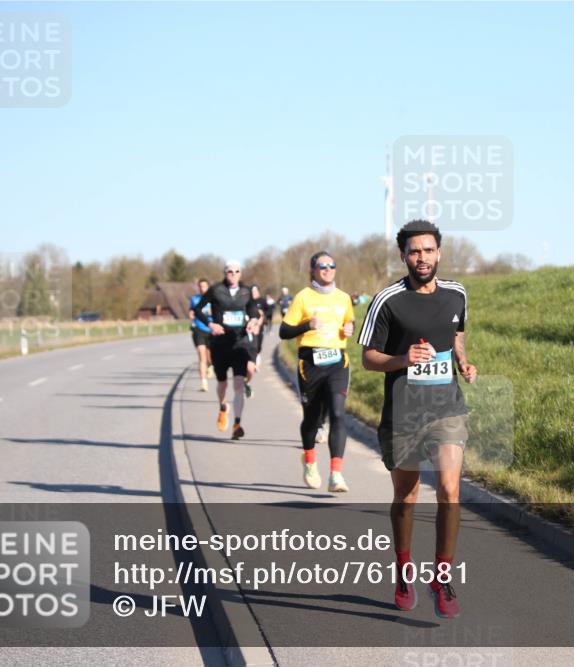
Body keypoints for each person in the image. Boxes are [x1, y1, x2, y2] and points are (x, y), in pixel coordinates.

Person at [359, 220, 477, 619]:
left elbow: (456, 334)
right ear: (403, 256)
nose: (422, 258)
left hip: (447, 407)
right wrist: (402, 359)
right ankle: (404, 570)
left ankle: (442, 578)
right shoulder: (387, 300)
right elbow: (368, 358)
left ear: (439, 253)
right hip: (404, 411)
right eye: (414, 252)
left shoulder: (457, 293)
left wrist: (463, 362)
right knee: (406, 497)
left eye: (428, 250)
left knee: (449, 490)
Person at [279, 251, 355, 492]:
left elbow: (349, 321)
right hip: (310, 363)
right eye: (322, 266)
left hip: (337, 362)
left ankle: (336, 474)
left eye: (332, 265)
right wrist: (307, 325)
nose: (328, 269)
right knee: (311, 418)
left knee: (338, 414)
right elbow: (284, 331)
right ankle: (310, 461)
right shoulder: (303, 297)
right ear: (312, 270)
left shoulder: (343, 298)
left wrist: (350, 328)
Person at [193, 260, 263, 440]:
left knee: (238, 383)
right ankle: (223, 406)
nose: (233, 274)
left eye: (236, 271)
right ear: (225, 273)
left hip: (239, 342)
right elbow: (198, 309)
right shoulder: (216, 290)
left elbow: (253, 310)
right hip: (220, 343)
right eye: (230, 271)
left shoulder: (246, 291)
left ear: (240, 273)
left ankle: (237, 424)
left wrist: (253, 320)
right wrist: (210, 324)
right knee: (222, 383)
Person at [188, 278, 214, 392]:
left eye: (204, 286)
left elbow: (219, 312)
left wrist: (211, 312)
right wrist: (191, 314)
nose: (202, 288)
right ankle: (204, 382)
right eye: (200, 286)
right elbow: (191, 311)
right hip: (199, 329)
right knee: (201, 355)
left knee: (210, 357)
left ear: (208, 287)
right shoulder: (195, 299)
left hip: (211, 330)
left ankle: (210, 365)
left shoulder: (213, 299)